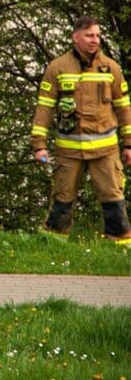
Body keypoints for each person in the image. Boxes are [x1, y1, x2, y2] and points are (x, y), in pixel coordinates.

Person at [31, 16, 131, 244]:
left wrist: (129, 144)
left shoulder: (111, 68)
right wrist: (39, 145)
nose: (95, 40)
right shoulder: (57, 68)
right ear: (75, 38)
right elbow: (44, 109)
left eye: (97, 35)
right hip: (69, 151)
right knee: (62, 200)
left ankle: (121, 246)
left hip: (105, 151)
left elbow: (125, 109)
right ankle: (53, 245)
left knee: (113, 199)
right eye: (89, 35)